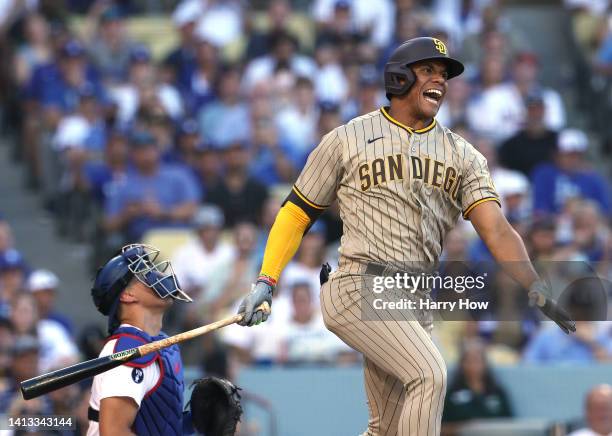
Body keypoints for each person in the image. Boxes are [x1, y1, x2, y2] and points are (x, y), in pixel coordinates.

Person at [236, 37, 575, 436]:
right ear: (398, 78)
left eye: (445, 74)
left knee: (387, 427)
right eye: (429, 70)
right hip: (359, 284)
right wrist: (267, 279)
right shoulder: (348, 138)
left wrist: (533, 283)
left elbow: (495, 227)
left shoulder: (462, 154)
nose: (441, 81)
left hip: (415, 298)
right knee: (430, 375)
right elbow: (296, 212)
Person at [87, 243, 193, 435]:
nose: (157, 275)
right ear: (127, 295)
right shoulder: (127, 352)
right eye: (144, 273)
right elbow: (114, 432)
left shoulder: (162, 344)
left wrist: (197, 423)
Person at [442, 339, 513, 425]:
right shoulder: (451, 394)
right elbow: (441, 427)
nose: (473, 365)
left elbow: (510, 424)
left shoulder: (497, 392)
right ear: (461, 364)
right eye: (468, 361)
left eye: (476, 360)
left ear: (484, 363)